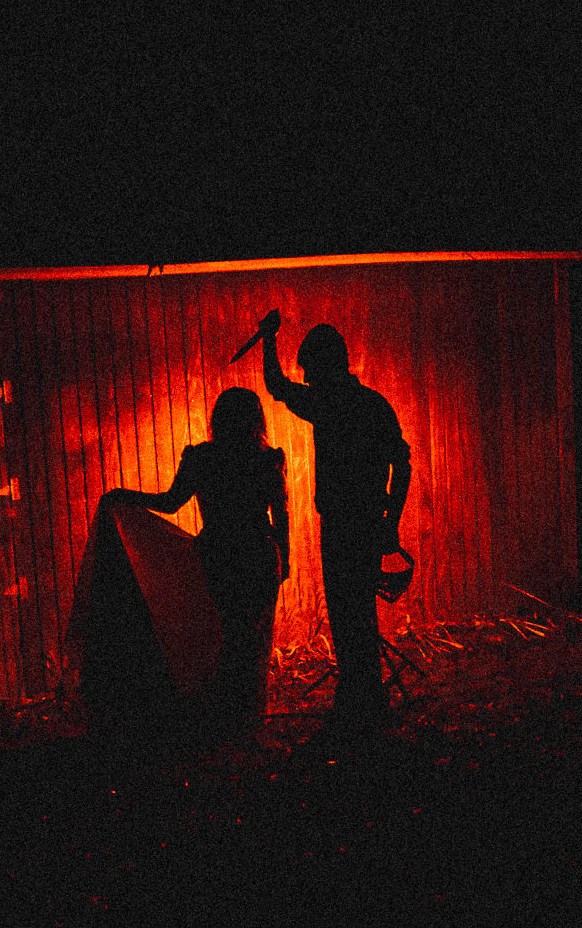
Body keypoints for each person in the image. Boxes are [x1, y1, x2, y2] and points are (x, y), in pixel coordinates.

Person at [254, 309, 412, 729]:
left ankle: (362, 703)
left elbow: (276, 386)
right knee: (358, 611)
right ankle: (365, 698)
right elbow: (403, 463)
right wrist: (390, 520)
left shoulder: (328, 405)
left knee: (348, 613)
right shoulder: (374, 405)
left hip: (342, 525)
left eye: (309, 370)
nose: (306, 379)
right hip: (367, 521)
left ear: (324, 366)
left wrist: (268, 338)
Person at [105, 387, 290, 735]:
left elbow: (171, 501)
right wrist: (286, 556)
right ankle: (244, 715)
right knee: (251, 636)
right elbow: (280, 513)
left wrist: (125, 496)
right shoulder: (266, 459)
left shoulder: (203, 458)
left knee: (234, 633)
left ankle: (230, 716)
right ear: (256, 421)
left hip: (219, 553)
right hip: (257, 552)